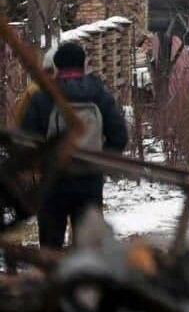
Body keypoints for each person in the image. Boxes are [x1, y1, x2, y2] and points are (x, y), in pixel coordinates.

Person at [21, 42, 129, 249]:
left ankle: (51, 279)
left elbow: (27, 140)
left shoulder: (44, 96)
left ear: (57, 65)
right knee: (87, 249)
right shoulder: (99, 95)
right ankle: (84, 280)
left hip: (53, 182)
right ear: (84, 64)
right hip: (90, 181)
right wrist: (101, 161)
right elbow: (119, 136)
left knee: (50, 248)